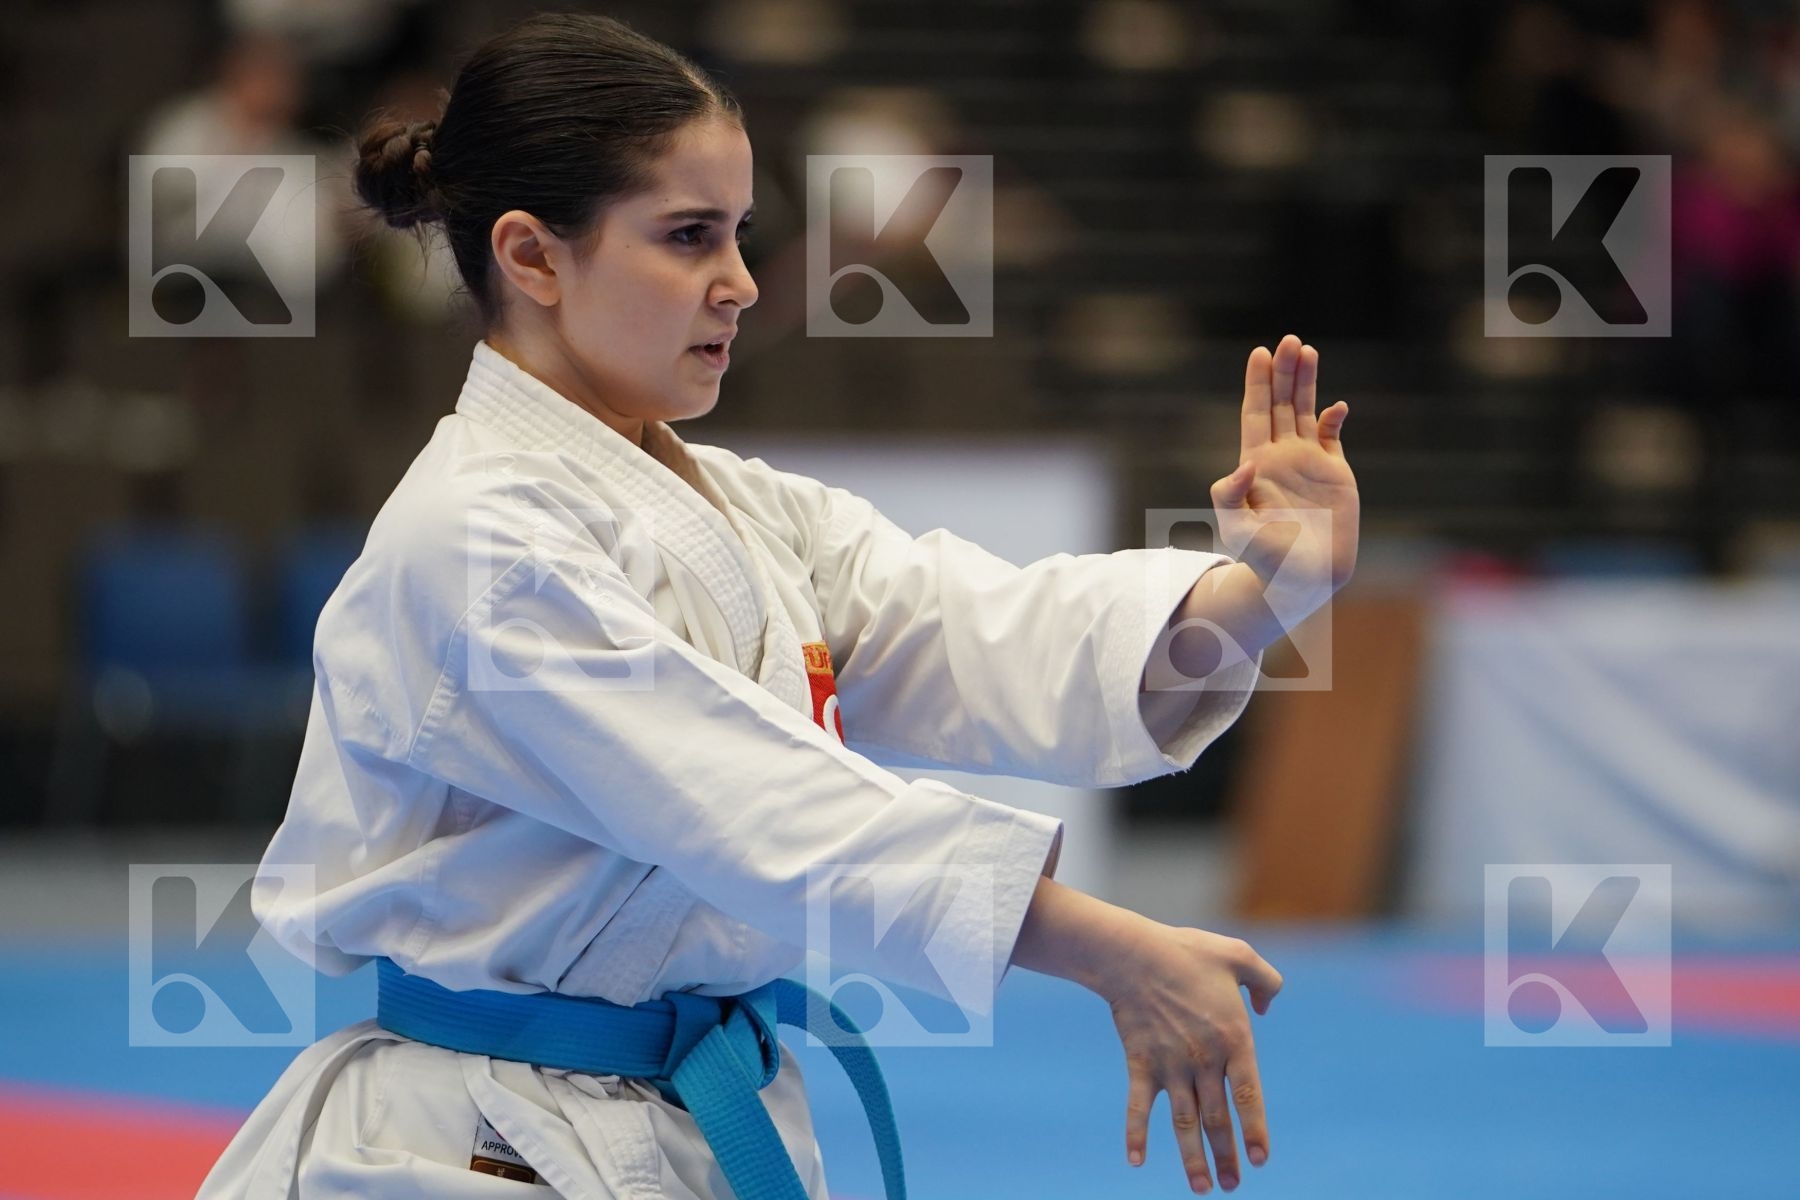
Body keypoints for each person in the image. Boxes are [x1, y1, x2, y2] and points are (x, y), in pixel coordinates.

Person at [196, 12, 1358, 1199]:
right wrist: (1104, 946)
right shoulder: (476, 546)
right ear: (534, 257)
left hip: (677, 1113)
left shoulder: (740, 510)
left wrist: (1263, 590)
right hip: (470, 1142)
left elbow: (982, 638)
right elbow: (755, 808)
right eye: (689, 237)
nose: (742, 283)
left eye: (742, 234)